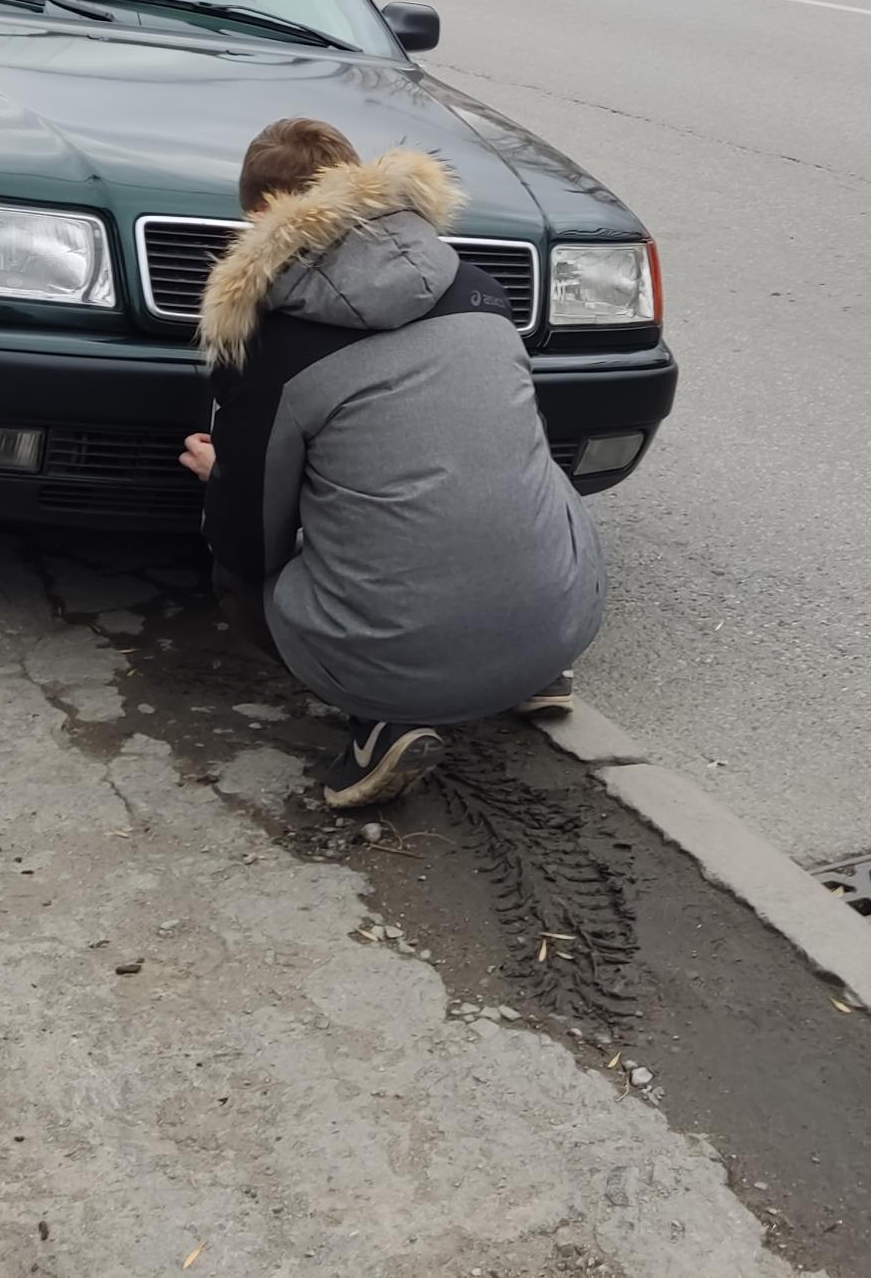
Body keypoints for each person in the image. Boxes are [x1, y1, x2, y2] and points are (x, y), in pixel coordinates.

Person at [180, 117, 603, 810]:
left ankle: (381, 720)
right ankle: (533, 667)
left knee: (245, 559)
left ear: (260, 217)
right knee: (517, 461)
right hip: (563, 616)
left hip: (392, 665)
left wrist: (224, 474)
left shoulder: (276, 348)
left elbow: (247, 538)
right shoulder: (480, 288)